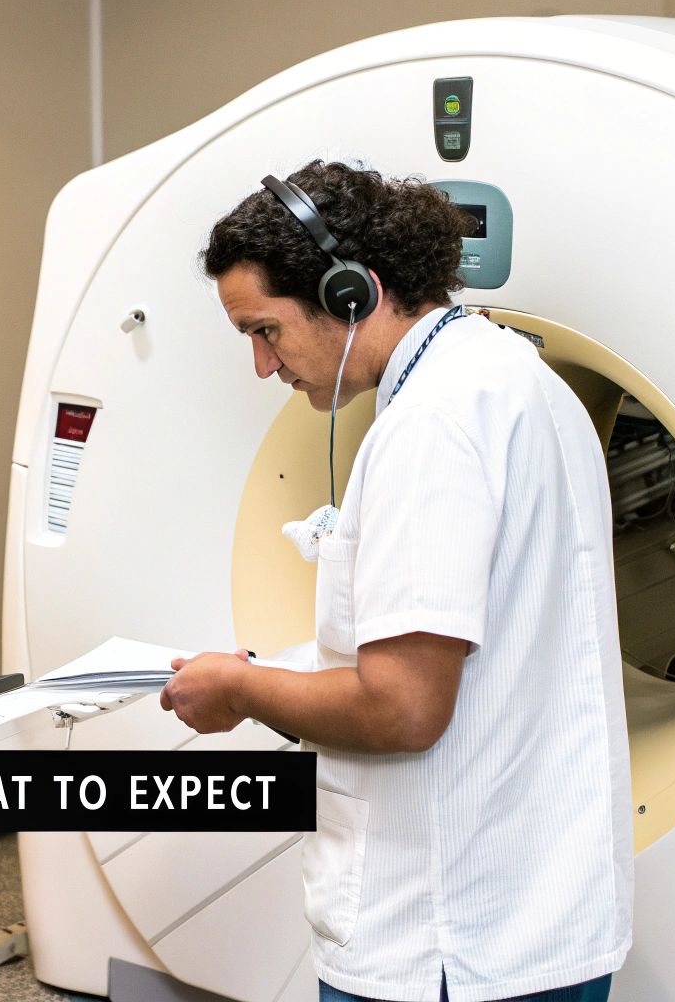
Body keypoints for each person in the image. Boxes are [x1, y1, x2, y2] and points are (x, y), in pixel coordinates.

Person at [159, 161, 632, 1002]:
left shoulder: (430, 429)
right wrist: (279, 666)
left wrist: (240, 688)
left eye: (264, 331)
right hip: (532, 910)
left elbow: (405, 707)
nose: (264, 367)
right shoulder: (514, 378)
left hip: (442, 942)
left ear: (350, 293)